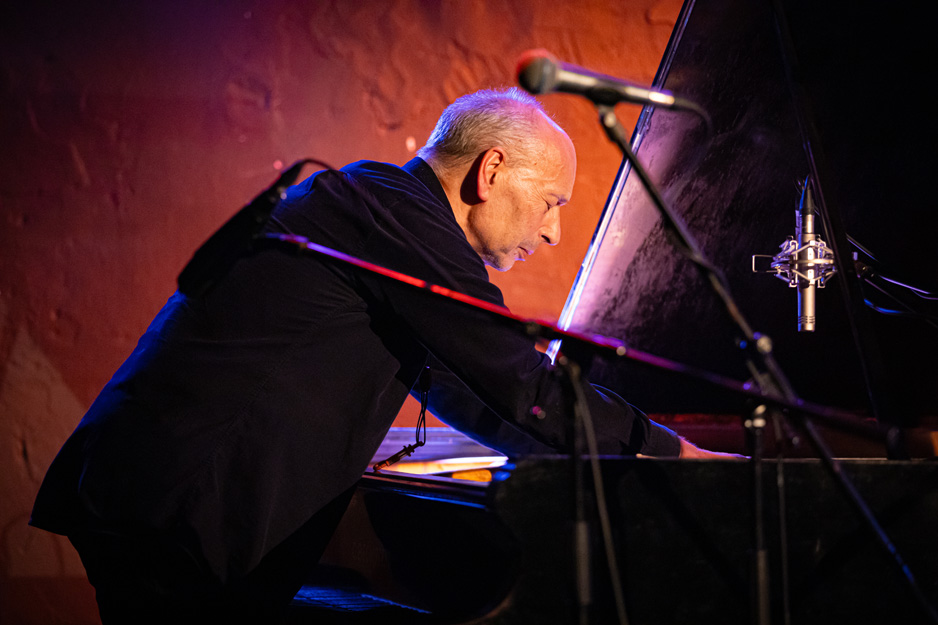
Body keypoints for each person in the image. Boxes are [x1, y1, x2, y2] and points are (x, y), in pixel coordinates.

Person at [30, 87, 724, 624]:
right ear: (491, 171)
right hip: (178, 508)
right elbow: (521, 383)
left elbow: (476, 393)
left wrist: (619, 456)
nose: (553, 232)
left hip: (159, 500)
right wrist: (673, 454)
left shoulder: (383, 211)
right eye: (549, 201)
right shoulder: (396, 214)